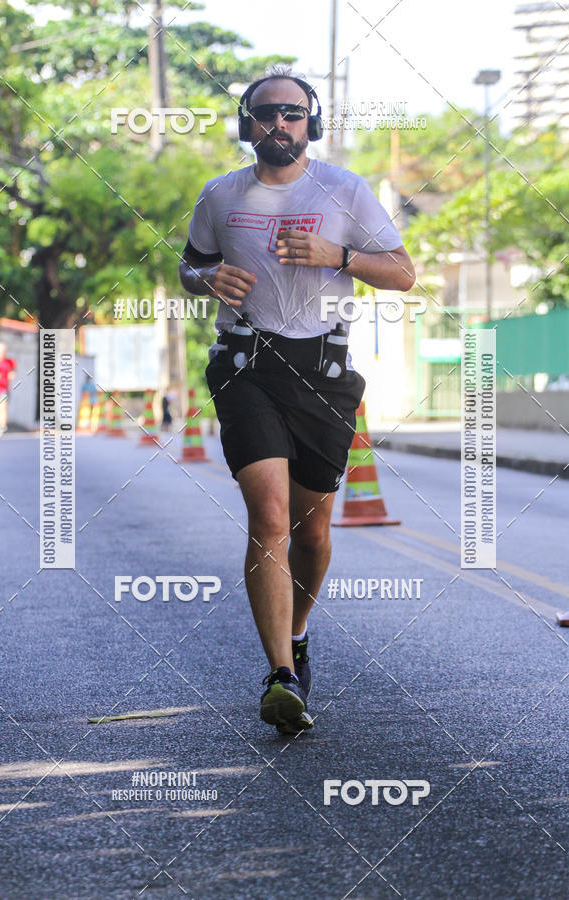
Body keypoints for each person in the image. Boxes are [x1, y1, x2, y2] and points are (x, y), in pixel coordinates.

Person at [179, 66, 415, 735]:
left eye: (290, 113)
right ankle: (281, 675)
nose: (276, 124)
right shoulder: (220, 195)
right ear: (246, 124)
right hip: (246, 363)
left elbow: (402, 273)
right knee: (271, 516)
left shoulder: (345, 190)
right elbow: (188, 264)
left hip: (324, 370)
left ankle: (300, 633)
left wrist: (337, 255)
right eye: (264, 114)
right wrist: (206, 278)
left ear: (309, 122)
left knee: (313, 534)